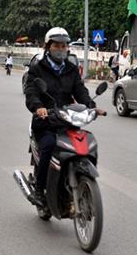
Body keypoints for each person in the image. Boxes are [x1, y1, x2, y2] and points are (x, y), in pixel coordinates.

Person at [24, 27, 106, 205]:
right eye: (57, 45)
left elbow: (81, 91)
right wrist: (38, 107)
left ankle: (82, 181)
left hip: (68, 121)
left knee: (87, 143)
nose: (61, 49)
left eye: (64, 46)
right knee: (49, 145)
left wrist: (92, 107)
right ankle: (39, 189)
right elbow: (31, 92)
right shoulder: (38, 69)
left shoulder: (71, 69)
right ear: (48, 47)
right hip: (46, 122)